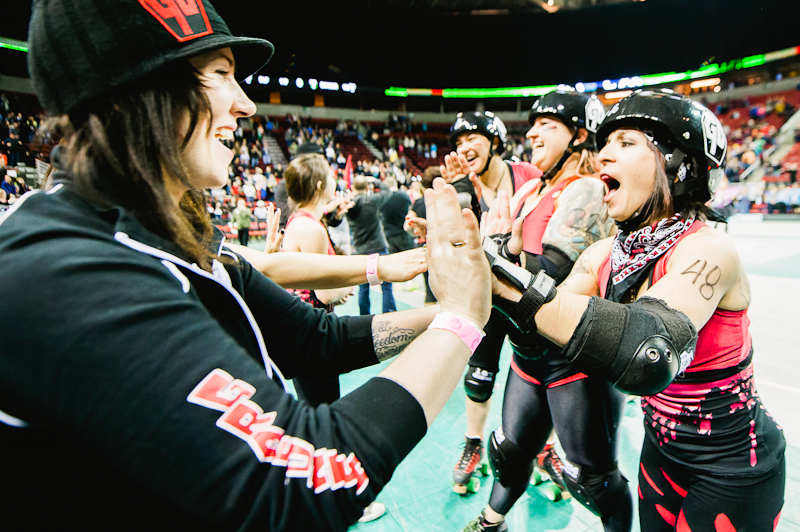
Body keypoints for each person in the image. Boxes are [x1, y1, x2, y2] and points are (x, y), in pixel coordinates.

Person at [0, 2, 492, 531]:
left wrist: (463, 308)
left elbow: (316, 339)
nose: (247, 105)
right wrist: (458, 323)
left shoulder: (168, 228)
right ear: (134, 91)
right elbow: (308, 480)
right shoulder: (61, 268)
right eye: (222, 75)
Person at [488, 89, 785, 531]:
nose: (603, 154)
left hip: (734, 464)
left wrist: (504, 283)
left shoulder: (709, 248)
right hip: (661, 452)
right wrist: (499, 261)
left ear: (679, 165)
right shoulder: (603, 254)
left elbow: (648, 354)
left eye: (625, 143)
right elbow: (542, 336)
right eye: (604, 143)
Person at [460, 90, 627, 532]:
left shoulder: (587, 190)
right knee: (511, 453)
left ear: (578, 135)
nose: (532, 132)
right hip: (527, 354)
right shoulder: (533, 189)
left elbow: (544, 278)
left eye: (547, 125)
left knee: (595, 480)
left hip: (574, 360)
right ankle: (492, 520)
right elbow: (498, 258)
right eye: (533, 124)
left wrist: (493, 250)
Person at [347, 175, 397, 315]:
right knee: (386, 285)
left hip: (360, 248)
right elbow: (387, 191)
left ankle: (364, 315)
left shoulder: (350, 204)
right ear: (367, 187)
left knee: (363, 287)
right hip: (378, 246)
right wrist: (373, 180)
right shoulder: (371, 201)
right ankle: (389, 313)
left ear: (353, 187)